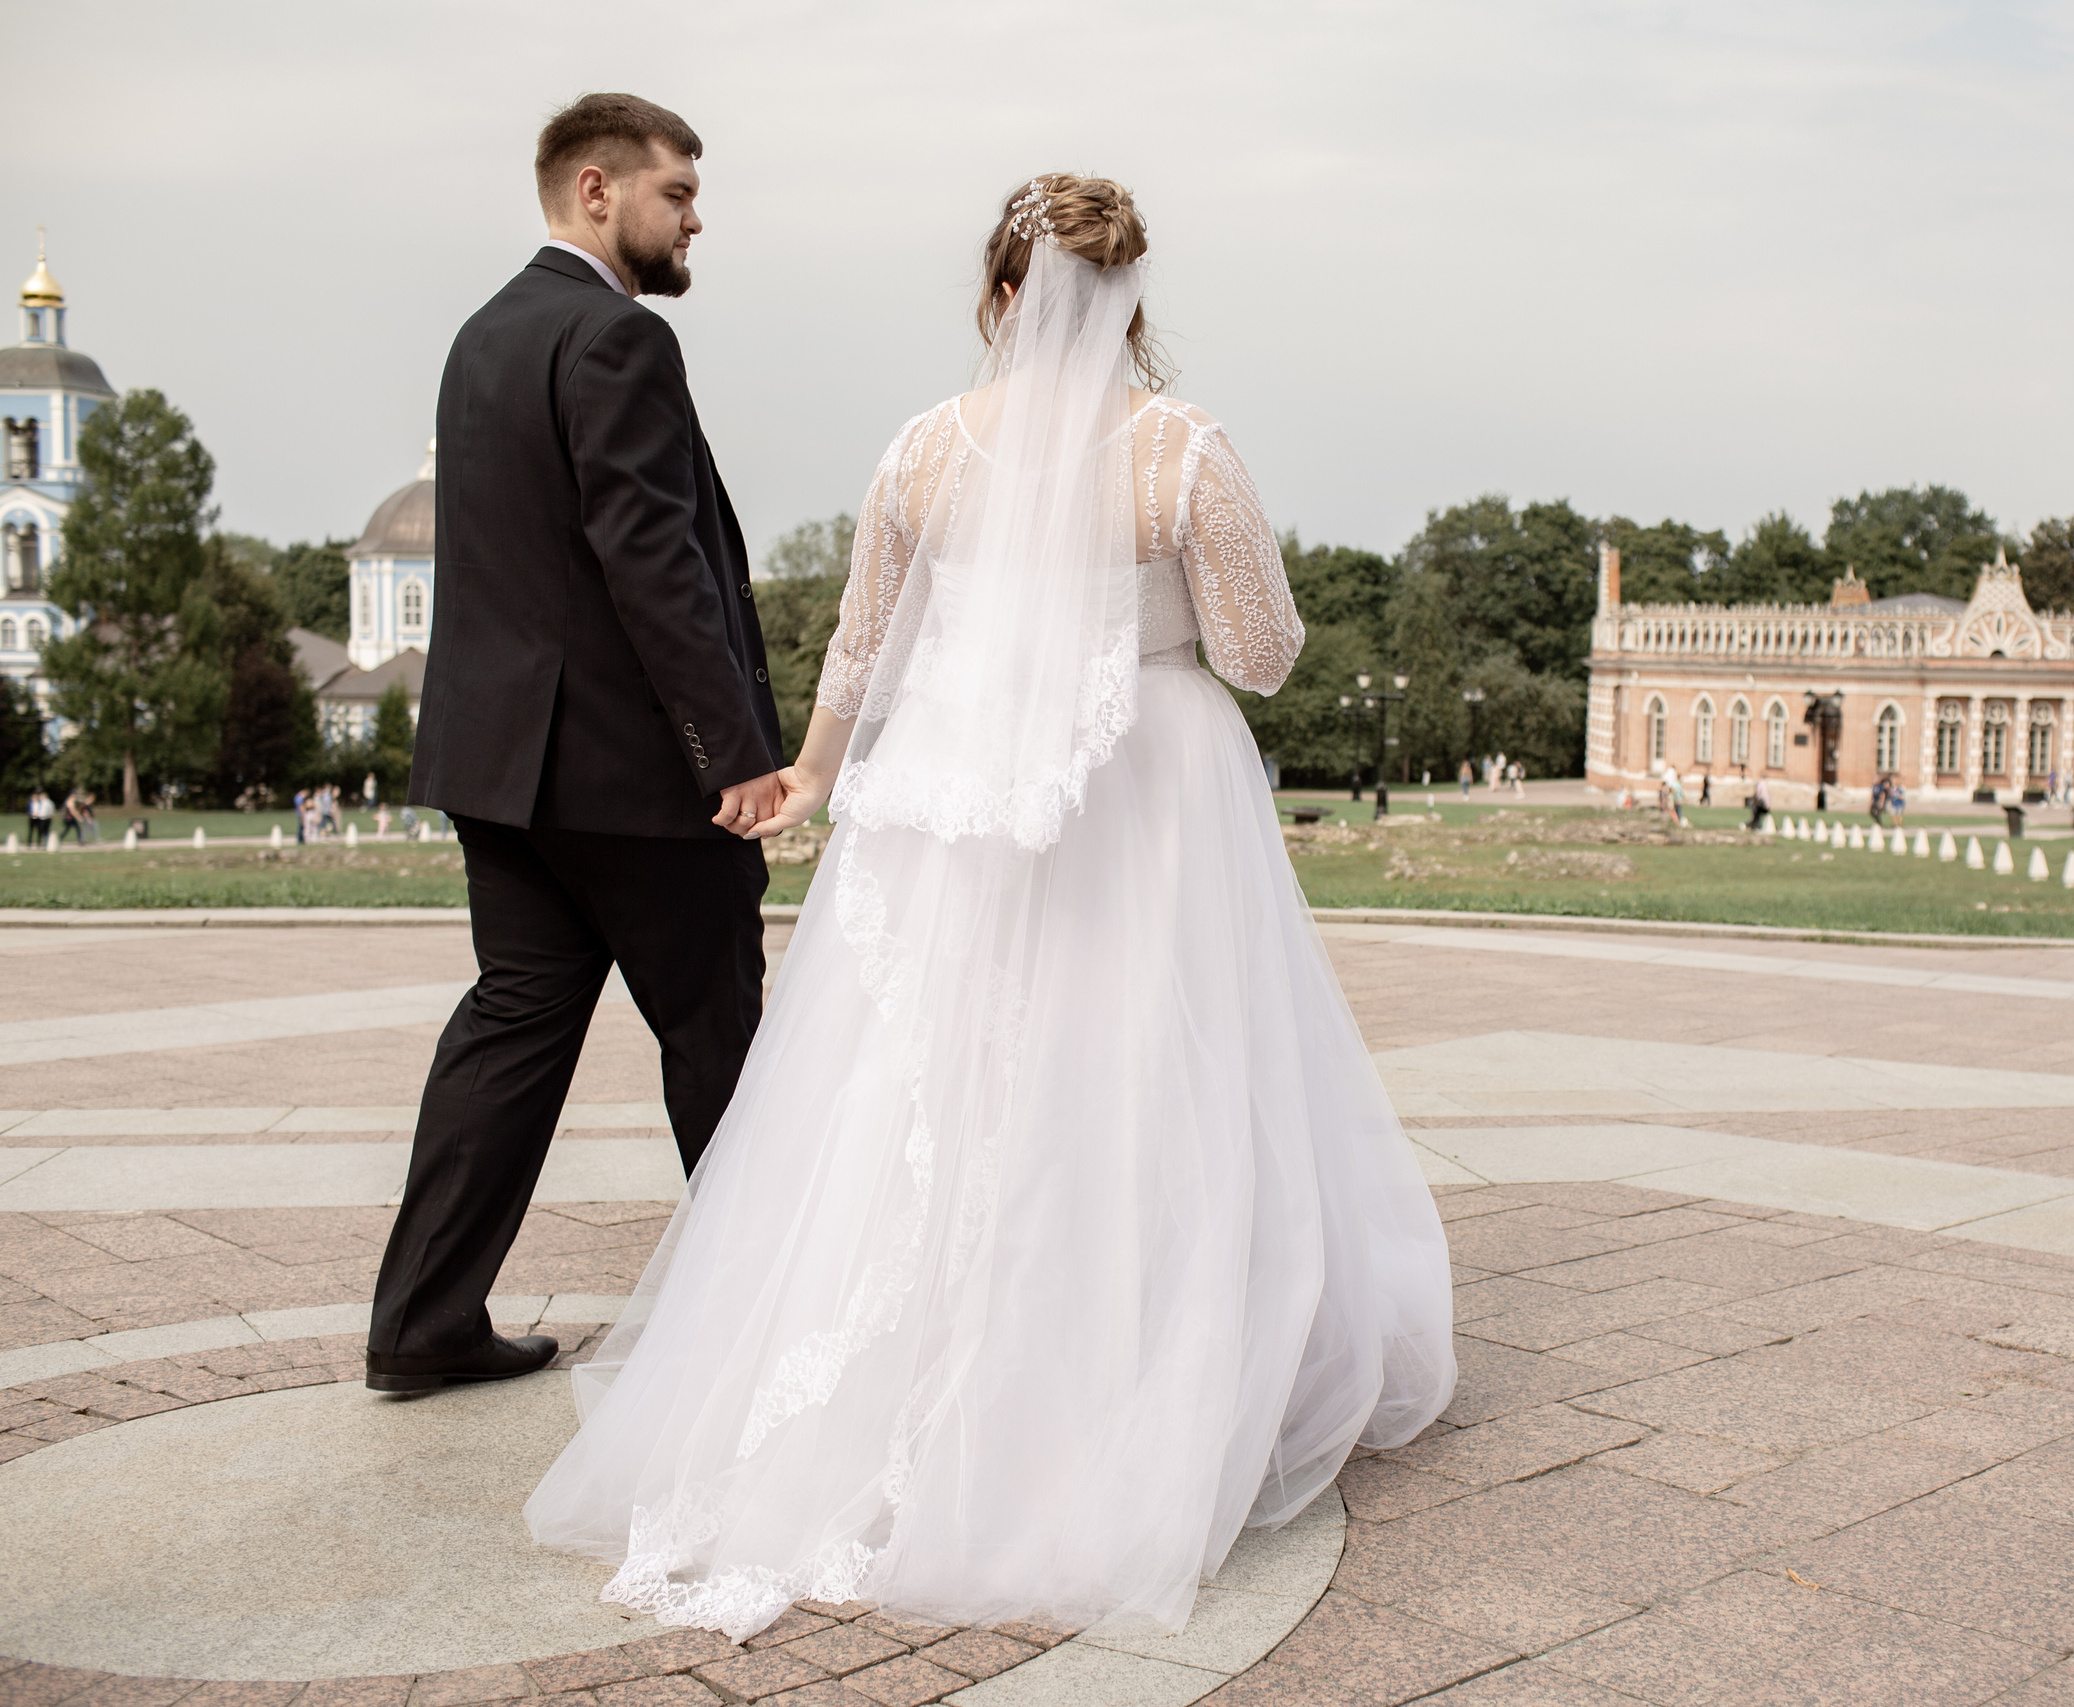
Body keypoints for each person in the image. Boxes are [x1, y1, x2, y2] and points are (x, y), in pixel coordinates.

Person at [524, 173, 1453, 1642]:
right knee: (1139, 1068)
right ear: (1127, 304)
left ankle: (914, 1384)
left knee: (926, 1087)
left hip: (944, 799)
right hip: (1146, 789)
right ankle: (1121, 1363)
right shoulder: (1183, 450)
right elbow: (1262, 653)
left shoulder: (923, 451)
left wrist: (813, 774)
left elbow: (862, 646)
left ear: (999, 294)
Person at [368, 95, 788, 1398]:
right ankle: (766, 1318)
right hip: (630, 778)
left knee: (512, 1027)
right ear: (598, 190)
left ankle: (422, 1322)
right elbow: (651, 559)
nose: (696, 219)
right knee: (720, 1035)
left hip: (501, 771)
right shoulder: (618, 336)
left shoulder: (484, 334)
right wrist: (730, 749)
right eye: (678, 194)